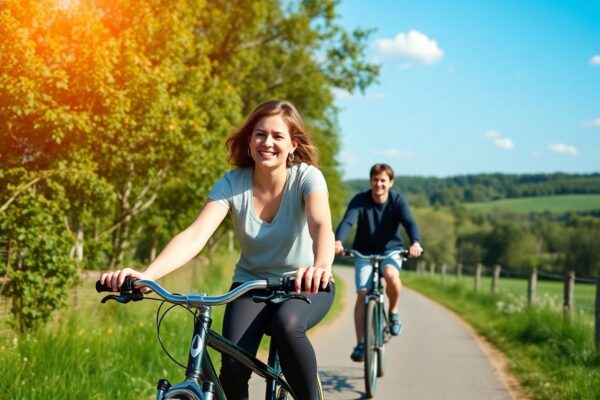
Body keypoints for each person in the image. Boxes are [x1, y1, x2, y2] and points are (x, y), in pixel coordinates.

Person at [100, 100, 335, 400]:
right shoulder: (233, 183)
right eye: (260, 134)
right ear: (249, 142)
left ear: (293, 145)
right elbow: (195, 235)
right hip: (251, 286)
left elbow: (320, 225)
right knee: (232, 369)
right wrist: (147, 276)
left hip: (305, 283)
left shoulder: (307, 177)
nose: (267, 142)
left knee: (287, 324)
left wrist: (321, 267)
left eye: (277, 136)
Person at [334, 163, 422, 362]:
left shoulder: (397, 200)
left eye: (383, 180)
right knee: (363, 293)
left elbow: (410, 223)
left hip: (391, 250)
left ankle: (393, 311)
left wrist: (415, 242)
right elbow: (348, 221)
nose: (379, 184)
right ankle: (360, 344)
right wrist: (338, 241)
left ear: (390, 182)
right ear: (370, 181)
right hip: (363, 252)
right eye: (375, 180)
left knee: (391, 274)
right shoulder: (360, 200)